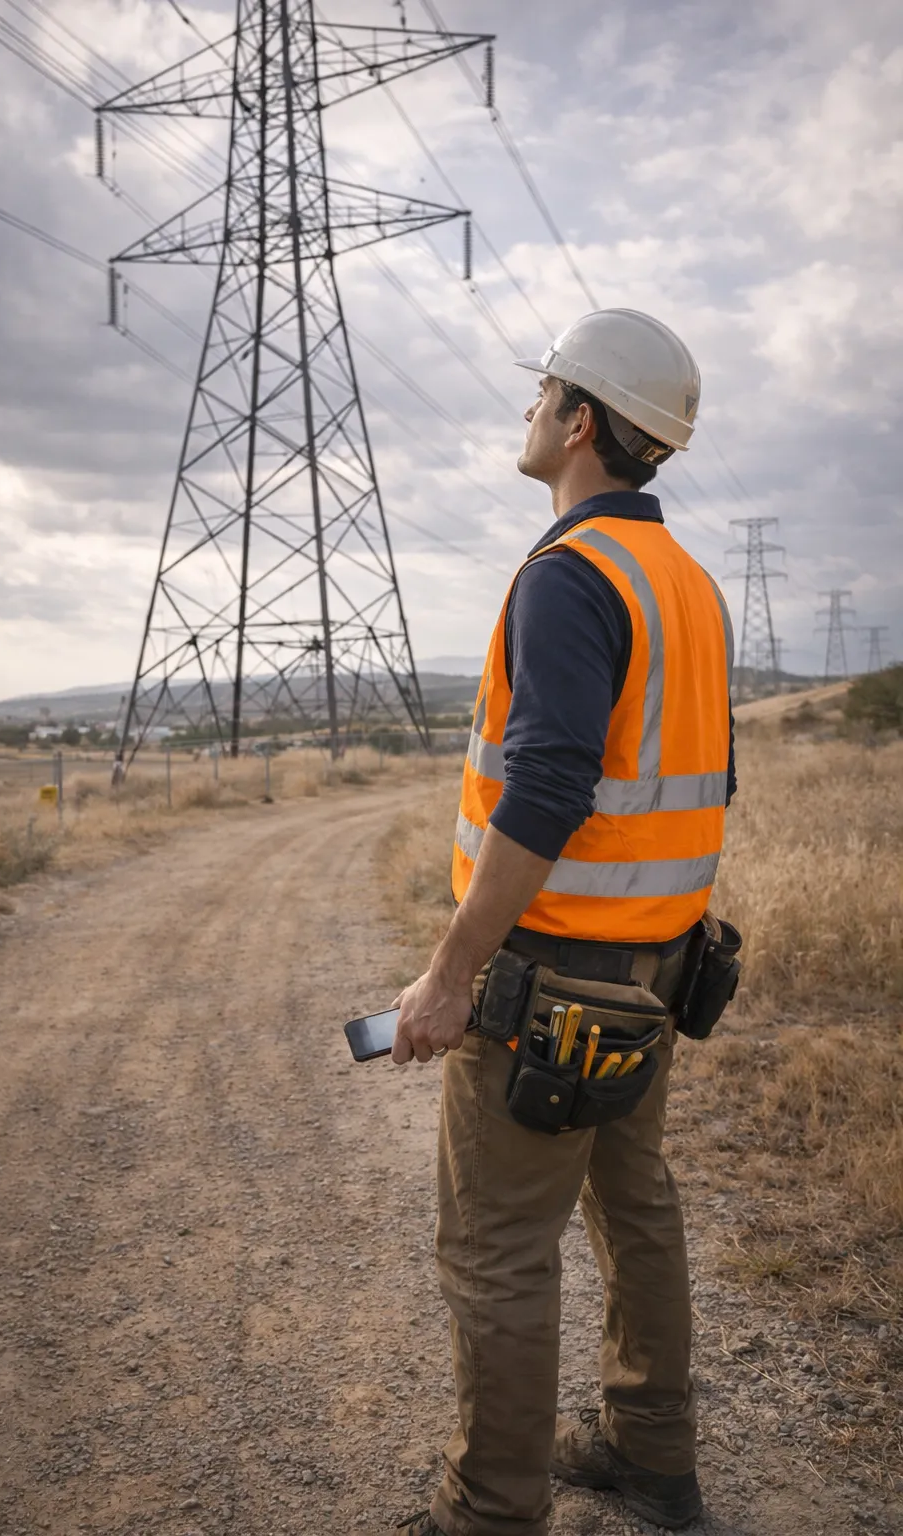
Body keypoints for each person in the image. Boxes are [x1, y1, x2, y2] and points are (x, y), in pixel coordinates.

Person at [387, 309, 735, 1536]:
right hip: (654, 973)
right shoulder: (687, 583)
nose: (526, 410)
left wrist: (449, 975)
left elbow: (544, 791)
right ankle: (651, 1456)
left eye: (540, 393)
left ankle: (489, 1511)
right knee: (636, 1210)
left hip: (549, 987)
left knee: (497, 1249)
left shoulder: (569, 576)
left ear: (579, 422)